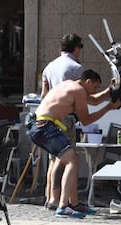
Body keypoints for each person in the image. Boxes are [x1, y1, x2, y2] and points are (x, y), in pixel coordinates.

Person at [26, 69, 121, 218]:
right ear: (88, 81)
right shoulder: (79, 91)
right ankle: (63, 206)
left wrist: (109, 91)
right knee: (71, 161)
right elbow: (86, 120)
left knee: (69, 159)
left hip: (35, 125)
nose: (95, 90)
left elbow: (94, 100)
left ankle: (73, 204)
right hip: (45, 126)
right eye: (95, 87)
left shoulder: (69, 85)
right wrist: (109, 107)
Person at [40, 33, 84, 211]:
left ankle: (52, 197)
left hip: (48, 119)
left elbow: (43, 95)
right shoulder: (76, 68)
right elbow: (80, 95)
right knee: (68, 160)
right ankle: (60, 201)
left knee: (53, 160)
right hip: (65, 118)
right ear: (76, 48)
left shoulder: (49, 67)